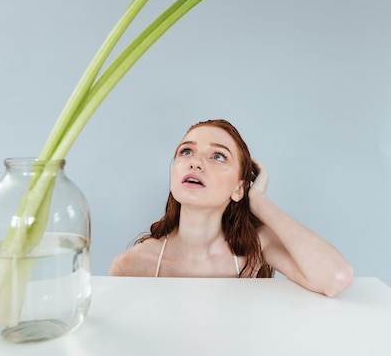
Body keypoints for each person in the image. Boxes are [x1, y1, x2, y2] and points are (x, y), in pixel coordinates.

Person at [109, 119, 354, 296]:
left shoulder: (255, 249)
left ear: (239, 189)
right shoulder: (133, 264)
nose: (195, 162)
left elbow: (335, 277)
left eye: (218, 156)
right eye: (186, 151)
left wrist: (260, 202)